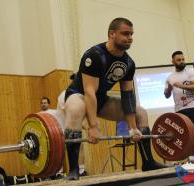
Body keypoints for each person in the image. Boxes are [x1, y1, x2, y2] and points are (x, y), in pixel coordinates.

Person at [62, 17, 166, 180]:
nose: (130, 37)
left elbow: (127, 96)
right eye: (125, 33)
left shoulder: (129, 63)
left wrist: (133, 128)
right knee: (76, 109)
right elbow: (89, 92)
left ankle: (148, 162)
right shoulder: (94, 55)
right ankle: (74, 170)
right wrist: (93, 126)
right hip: (79, 95)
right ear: (112, 34)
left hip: (101, 99)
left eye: (131, 34)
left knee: (140, 112)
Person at [164, 50, 194, 163]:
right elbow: (166, 95)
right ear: (173, 62)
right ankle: (190, 157)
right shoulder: (170, 77)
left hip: (193, 107)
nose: (181, 61)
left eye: (183, 59)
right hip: (180, 109)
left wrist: (180, 85)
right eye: (178, 60)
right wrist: (169, 89)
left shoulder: (190, 72)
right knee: (184, 134)